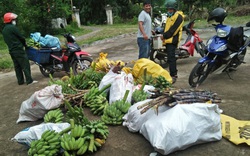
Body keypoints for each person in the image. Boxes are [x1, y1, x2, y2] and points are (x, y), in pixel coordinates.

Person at [2, 12, 38, 85]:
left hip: (11, 50)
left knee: (17, 66)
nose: (15, 21)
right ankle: (29, 81)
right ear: (10, 20)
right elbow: (21, 37)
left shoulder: (4, 30)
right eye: (14, 19)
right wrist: (25, 45)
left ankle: (20, 81)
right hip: (18, 49)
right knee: (25, 64)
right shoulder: (13, 28)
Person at [160, 0, 184, 84]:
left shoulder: (179, 17)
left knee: (171, 58)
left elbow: (173, 30)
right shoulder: (170, 17)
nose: (169, 11)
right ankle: (172, 74)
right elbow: (167, 28)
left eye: (170, 9)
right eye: (168, 9)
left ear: (174, 9)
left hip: (172, 40)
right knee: (170, 58)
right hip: (168, 40)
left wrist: (164, 36)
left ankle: (174, 75)